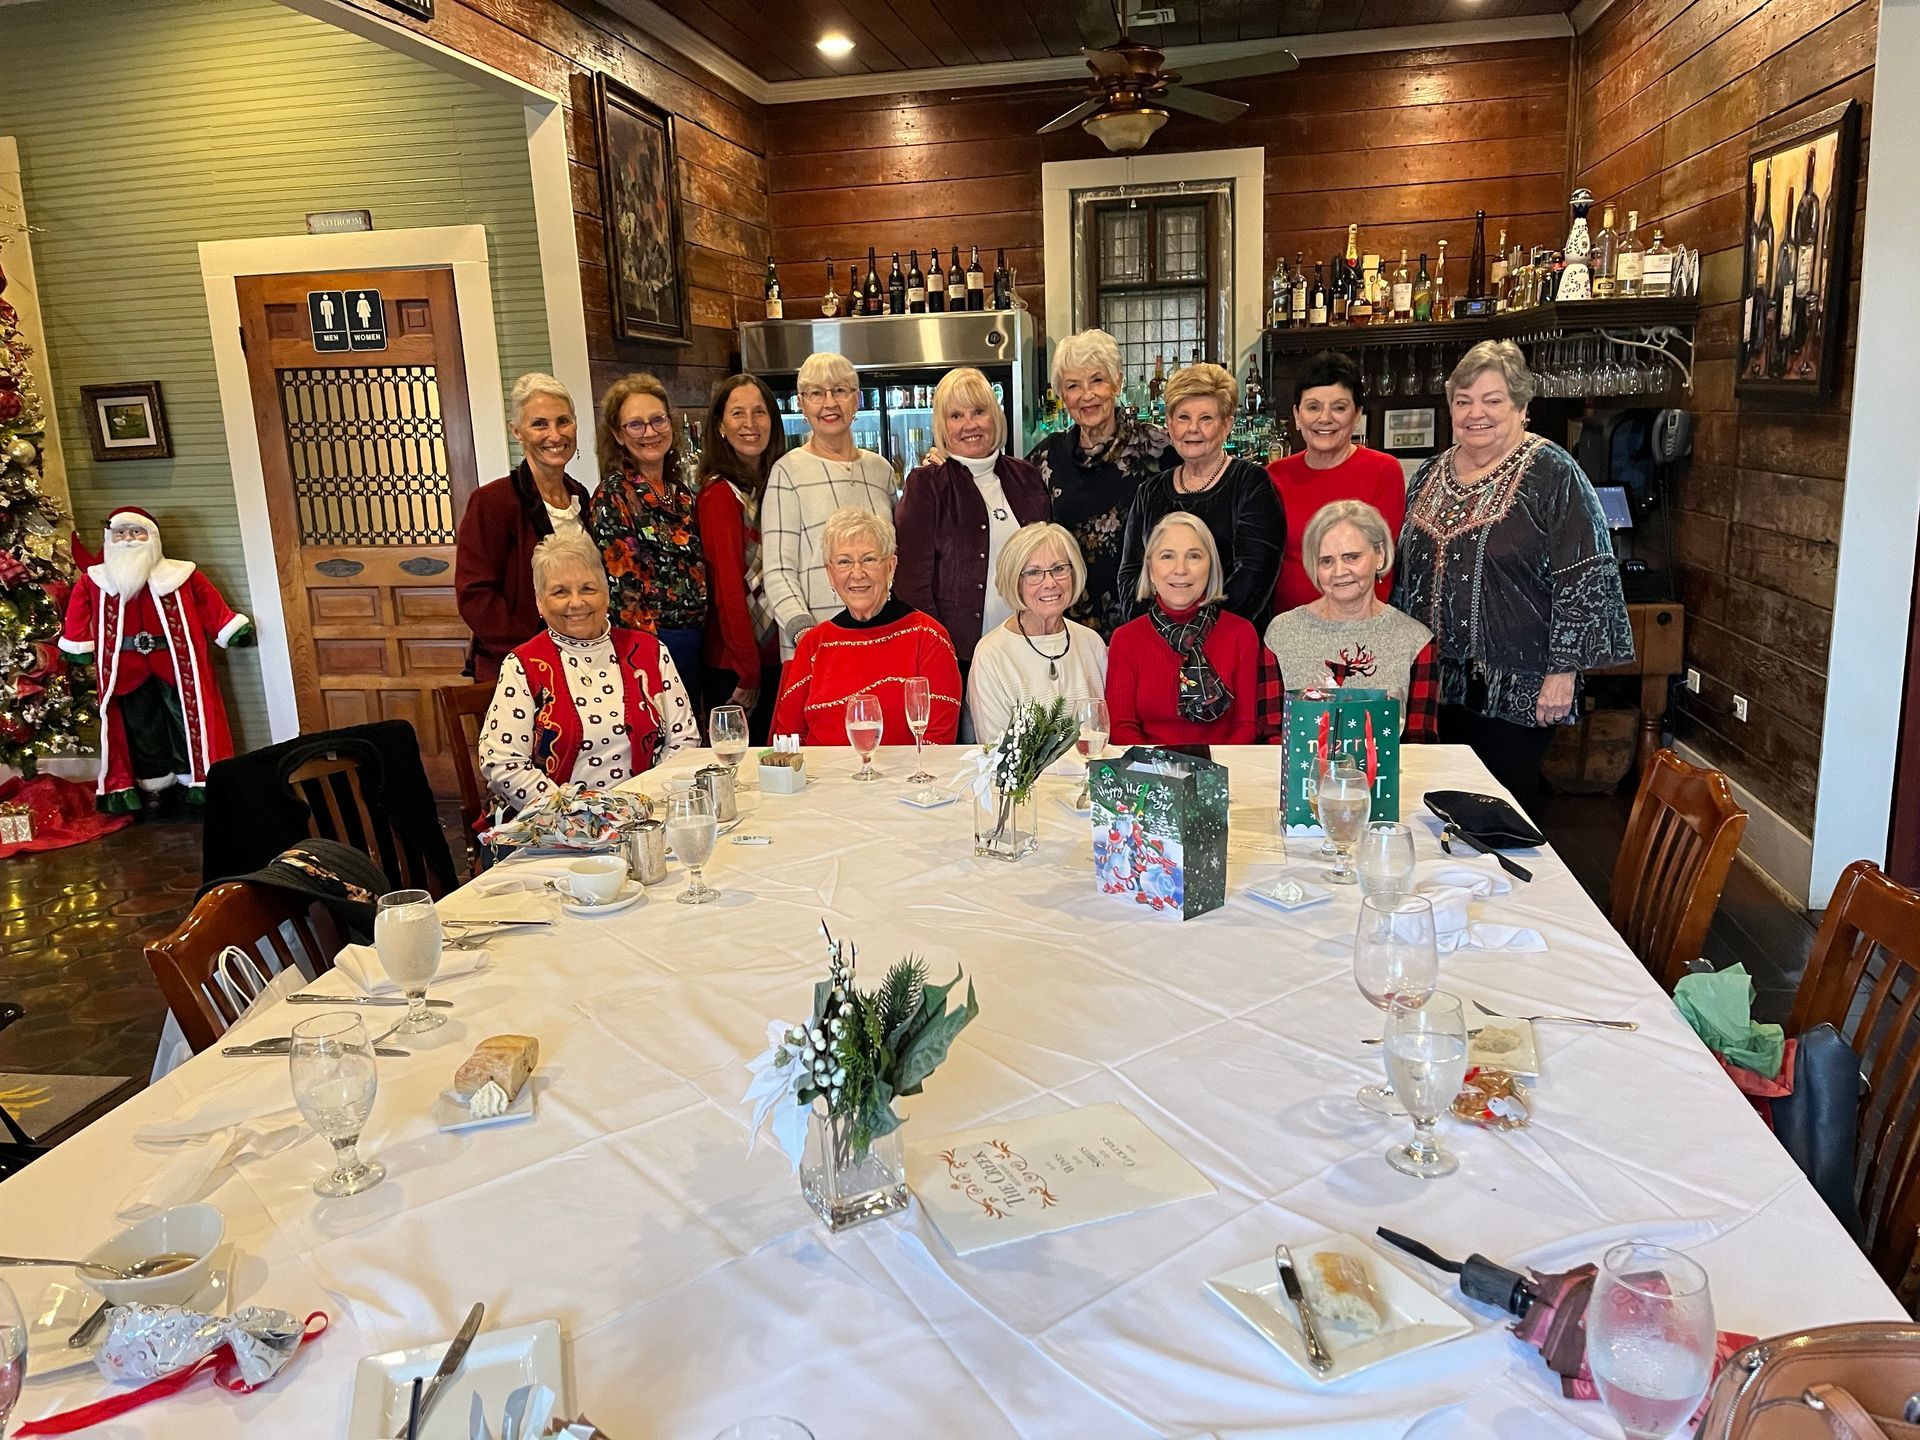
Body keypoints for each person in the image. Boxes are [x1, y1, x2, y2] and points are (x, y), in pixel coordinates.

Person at [1394, 339, 1633, 799]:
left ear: (1522, 406)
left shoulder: (1553, 473)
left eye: (1492, 400)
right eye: (1463, 401)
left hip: (1519, 690)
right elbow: (1406, 578)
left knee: (1501, 810)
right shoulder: (1428, 475)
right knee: (1432, 806)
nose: (1475, 413)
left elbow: (1586, 575)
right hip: (1433, 687)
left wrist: (1562, 672)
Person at [479, 531, 695, 813]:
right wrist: (578, 816)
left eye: (588, 589)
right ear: (540, 603)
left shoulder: (650, 651)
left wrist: (642, 807)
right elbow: (502, 763)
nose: (576, 602)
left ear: (606, 594)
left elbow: (683, 740)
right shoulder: (523, 665)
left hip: (647, 817)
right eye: (560, 592)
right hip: (555, 828)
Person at [58, 506, 252, 813]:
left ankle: (196, 783)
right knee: (141, 728)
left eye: (136, 532)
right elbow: (78, 613)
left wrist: (230, 628)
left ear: (152, 537)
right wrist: (78, 645)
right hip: (124, 668)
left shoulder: (181, 574)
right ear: (109, 538)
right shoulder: (95, 581)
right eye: (120, 533)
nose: (129, 539)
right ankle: (155, 786)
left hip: (177, 664)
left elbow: (209, 604)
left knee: (186, 721)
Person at [895, 366, 1050, 674]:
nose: (969, 425)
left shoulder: (1028, 476)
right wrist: (938, 654)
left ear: (995, 416)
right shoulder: (926, 485)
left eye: (979, 411)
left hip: (1031, 646)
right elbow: (911, 587)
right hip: (959, 659)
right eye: (956, 416)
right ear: (943, 425)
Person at [1026, 329, 1176, 639]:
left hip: (1147, 620)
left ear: (1117, 382)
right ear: (1062, 395)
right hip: (1070, 624)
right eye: (1073, 386)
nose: (1087, 395)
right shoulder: (1045, 457)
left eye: (1097, 380)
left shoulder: (1159, 448)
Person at [1116, 363, 1285, 633]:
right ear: (1169, 424)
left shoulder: (1251, 484)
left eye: (1206, 418)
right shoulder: (1150, 491)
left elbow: (1254, 574)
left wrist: (1197, 637)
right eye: (1183, 417)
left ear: (1226, 424)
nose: (1193, 428)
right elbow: (1131, 574)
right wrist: (1156, 633)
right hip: (1158, 643)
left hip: (1230, 645)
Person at [771, 507, 961, 746]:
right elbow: (787, 741)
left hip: (902, 783)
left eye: (869, 559)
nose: (857, 573)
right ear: (830, 574)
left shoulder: (928, 637)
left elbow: (938, 745)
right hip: (823, 782)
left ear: (890, 566)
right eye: (844, 562)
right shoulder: (813, 644)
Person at [1259, 500, 1438, 742]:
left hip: (1388, 778)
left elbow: (1421, 744)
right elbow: (1271, 737)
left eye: (1351, 557)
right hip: (1302, 777)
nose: (1339, 571)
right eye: (1326, 561)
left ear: (1380, 555)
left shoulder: (1417, 640)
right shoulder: (1281, 634)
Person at [456, 373, 593, 683]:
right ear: (516, 432)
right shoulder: (492, 501)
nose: (555, 435)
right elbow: (475, 595)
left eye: (563, 421)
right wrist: (534, 656)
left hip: (581, 661)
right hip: (520, 668)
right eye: (540, 424)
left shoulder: (581, 496)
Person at [762, 353, 896, 664]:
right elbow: (778, 571)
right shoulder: (787, 472)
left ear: (857, 399)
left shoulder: (881, 470)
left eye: (840, 390)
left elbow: (891, 557)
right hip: (816, 648)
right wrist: (805, 633)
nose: (829, 403)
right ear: (801, 403)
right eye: (816, 393)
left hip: (881, 639)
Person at [590, 373, 707, 712]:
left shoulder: (681, 494)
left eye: (657, 420)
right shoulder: (613, 496)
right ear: (618, 435)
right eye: (636, 425)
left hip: (698, 642)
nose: (651, 432)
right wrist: (649, 657)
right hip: (652, 646)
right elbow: (622, 592)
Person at [1267, 350, 1407, 614]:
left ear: (1357, 415)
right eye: (1313, 407)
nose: (1325, 418)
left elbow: (1383, 563)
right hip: (1286, 627)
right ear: (1297, 416)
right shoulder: (1274, 475)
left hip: (1359, 628)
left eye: (1339, 407)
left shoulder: (1383, 471)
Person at [1106, 511, 1260, 746]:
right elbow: (1122, 727)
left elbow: (1246, 726)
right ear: (1150, 570)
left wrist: (1211, 774)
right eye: (1167, 556)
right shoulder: (1126, 639)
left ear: (1211, 567)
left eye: (1194, 556)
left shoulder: (1241, 633)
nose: (1180, 569)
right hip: (1150, 774)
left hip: (1226, 773)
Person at [696, 372, 786, 741]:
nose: (750, 424)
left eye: (759, 412)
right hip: (735, 667)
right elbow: (729, 590)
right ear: (720, 426)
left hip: (777, 657)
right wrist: (748, 672)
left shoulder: (775, 485)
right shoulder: (719, 495)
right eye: (737, 414)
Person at [967, 523, 1108, 743]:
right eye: (1034, 573)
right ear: (1015, 581)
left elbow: (1106, 733)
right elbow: (995, 752)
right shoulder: (991, 654)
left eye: (1059, 569)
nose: (1050, 583)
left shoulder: (1091, 643)